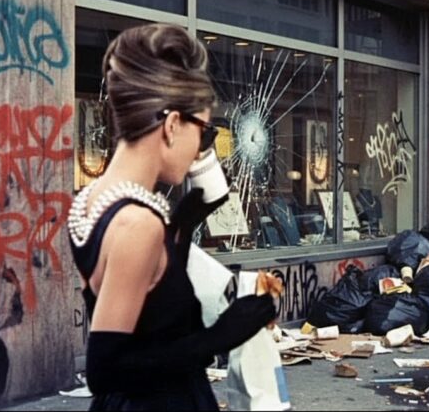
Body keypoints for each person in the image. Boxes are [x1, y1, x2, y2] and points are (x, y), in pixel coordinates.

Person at [67, 23, 276, 411]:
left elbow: (146, 310)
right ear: (172, 124)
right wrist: (223, 335)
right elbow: (105, 369)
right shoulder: (138, 224)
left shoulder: (92, 200)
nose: (203, 146)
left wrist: (183, 223)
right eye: (205, 131)